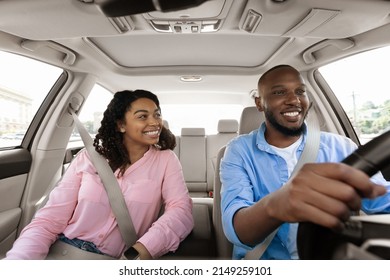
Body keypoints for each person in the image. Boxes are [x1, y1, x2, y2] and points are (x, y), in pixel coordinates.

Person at [220, 64, 390, 260]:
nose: (294, 100)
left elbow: (384, 202)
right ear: (259, 103)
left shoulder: (341, 147)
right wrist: (277, 204)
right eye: (279, 92)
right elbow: (237, 231)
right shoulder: (239, 151)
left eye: (300, 91)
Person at [4, 89, 194, 260]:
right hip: (64, 251)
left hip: (118, 259)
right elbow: (50, 218)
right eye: (143, 116)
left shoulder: (166, 160)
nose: (155, 122)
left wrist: (141, 250)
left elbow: (180, 211)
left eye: (157, 115)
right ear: (121, 125)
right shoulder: (89, 157)